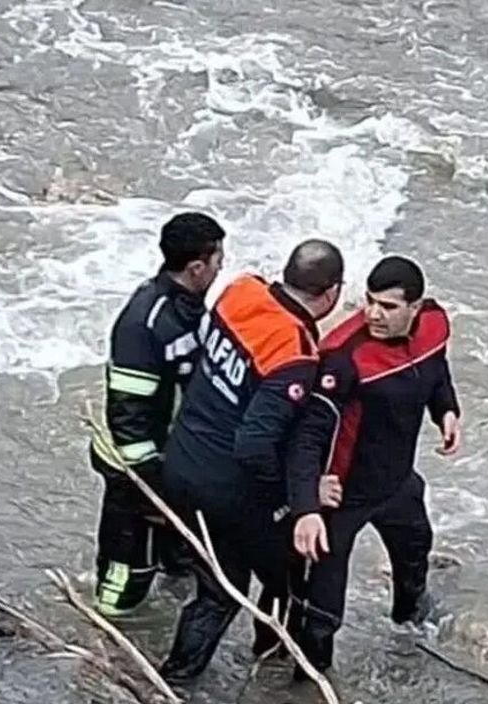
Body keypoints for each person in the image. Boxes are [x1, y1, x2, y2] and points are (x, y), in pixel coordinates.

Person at [156, 239, 343, 683]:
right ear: (332, 293)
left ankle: (179, 675)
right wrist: (298, 495)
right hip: (223, 487)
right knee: (268, 574)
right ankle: (252, 661)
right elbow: (254, 446)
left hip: (180, 459)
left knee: (215, 580)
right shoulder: (294, 353)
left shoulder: (241, 290)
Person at [282, 255, 460, 678]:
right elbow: (308, 434)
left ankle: (411, 645)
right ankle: (308, 679)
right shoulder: (343, 358)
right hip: (344, 494)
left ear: (415, 307)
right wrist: (306, 503)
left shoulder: (434, 325)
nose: (374, 314)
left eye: (388, 307)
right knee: (322, 609)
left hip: (397, 483)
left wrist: (446, 410)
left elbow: (436, 369)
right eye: (370, 302)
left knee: (415, 557)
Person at [88, 212, 224, 618]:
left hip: (173, 460)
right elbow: (127, 418)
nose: (220, 268)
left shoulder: (188, 308)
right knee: (127, 575)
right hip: (134, 471)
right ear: (196, 267)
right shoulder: (144, 324)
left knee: (181, 561)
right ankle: (105, 638)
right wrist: (153, 485)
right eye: (218, 260)